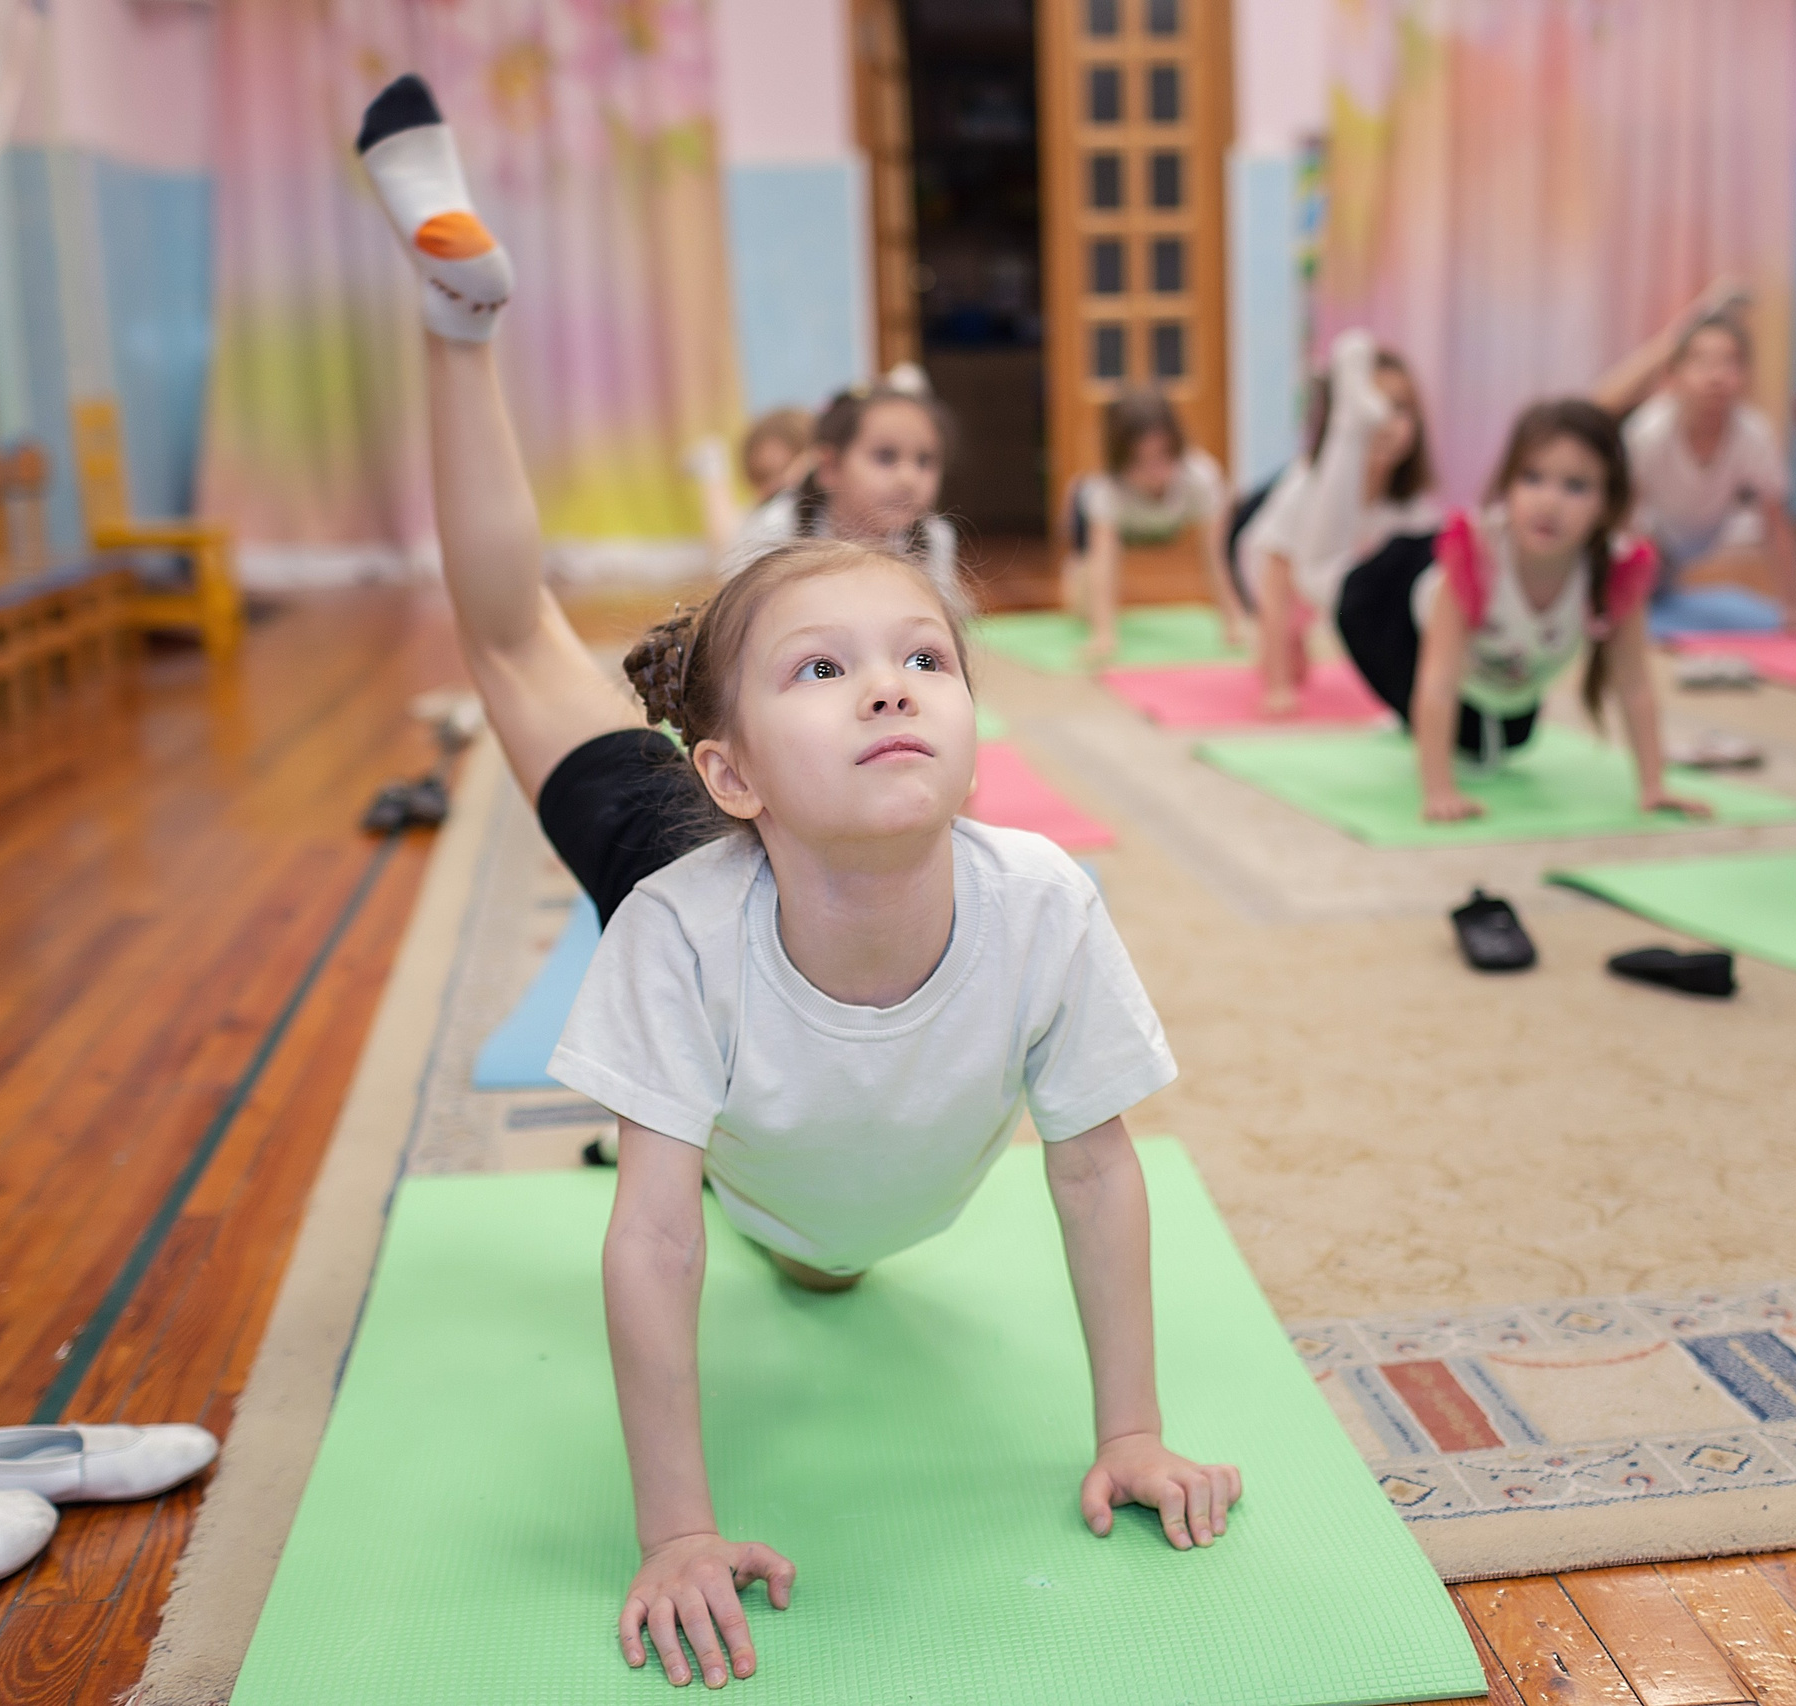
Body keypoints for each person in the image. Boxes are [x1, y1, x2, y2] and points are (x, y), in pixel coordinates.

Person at [354, 74, 1240, 1691]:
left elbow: (1103, 1169)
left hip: (793, 1059)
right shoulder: (685, 929)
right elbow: (655, 1235)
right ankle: (454, 326)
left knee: (821, 1245)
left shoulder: (1042, 898)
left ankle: (462, 324)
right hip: (699, 876)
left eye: (922, 657)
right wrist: (679, 1525)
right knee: (507, 641)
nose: (892, 685)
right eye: (826, 668)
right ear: (739, 770)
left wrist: (1135, 1432)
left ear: (978, 722)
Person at [1307, 357, 1713, 823]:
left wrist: (1654, 784)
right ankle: (1346, 431)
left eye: (1576, 486)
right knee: (1322, 579)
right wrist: (1438, 790)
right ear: (1508, 484)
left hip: (1496, 668)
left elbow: (1635, 686)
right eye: (1532, 478)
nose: (1549, 502)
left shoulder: (1614, 573)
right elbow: (1437, 684)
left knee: (1505, 739)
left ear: (1608, 504)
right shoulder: (1475, 560)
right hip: (1390, 602)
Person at [1593, 290, 1796, 635]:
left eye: (1730, 363)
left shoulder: (1753, 434)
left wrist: (1793, 612)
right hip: (1650, 540)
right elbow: (1622, 520)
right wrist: (1618, 604)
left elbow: (1777, 523)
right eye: (1702, 363)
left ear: (1745, 375)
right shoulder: (1650, 431)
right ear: (1674, 376)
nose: (1716, 376)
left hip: (1697, 540)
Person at [1282, 331, 1444, 704]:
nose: (1387, 420)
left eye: (1401, 408)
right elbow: (1276, 580)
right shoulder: (1304, 488)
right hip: (1257, 562)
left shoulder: (1414, 507)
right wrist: (1280, 674)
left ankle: (1348, 425)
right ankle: (1347, 427)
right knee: (1313, 573)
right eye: (1379, 404)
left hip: (1340, 581)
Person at [723, 374, 960, 596]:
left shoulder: (933, 538)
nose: (908, 478)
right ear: (829, 467)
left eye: (925, 460)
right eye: (885, 456)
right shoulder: (775, 529)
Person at [1065, 388, 1243, 665]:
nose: (1155, 473)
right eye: (1142, 462)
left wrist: (1232, 620)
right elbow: (1104, 562)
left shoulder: (1200, 477)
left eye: (1163, 457)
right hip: (1113, 519)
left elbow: (1215, 555)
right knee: (1081, 606)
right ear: (1122, 459)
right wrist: (1104, 634)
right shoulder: (1107, 491)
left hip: (1165, 521)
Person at [1233, 375, 1330, 715]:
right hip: (1265, 562)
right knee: (1285, 627)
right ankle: (1282, 654)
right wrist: (1277, 688)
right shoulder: (1304, 490)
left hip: (1312, 567)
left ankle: (1291, 646)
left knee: (1297, 656)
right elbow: (1272, 593)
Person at [691, 408, 817, 561]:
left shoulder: (793, 507)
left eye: (783, 470)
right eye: (763, 476)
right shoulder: (763, 513)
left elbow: (727, 556)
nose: (773, 485)